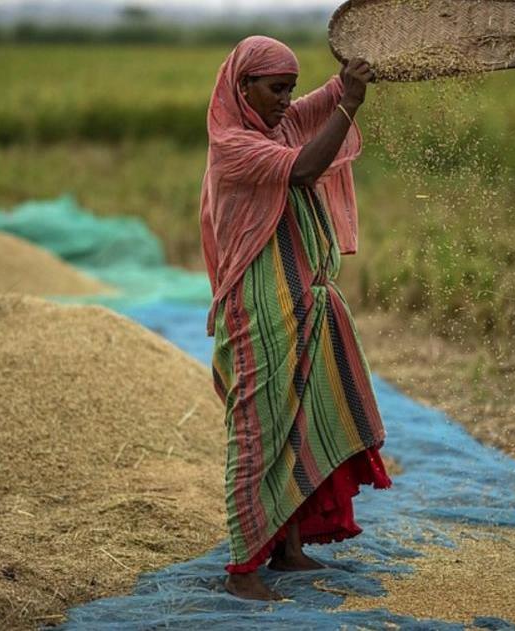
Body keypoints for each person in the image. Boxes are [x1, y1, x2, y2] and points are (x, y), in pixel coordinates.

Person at [199, 35, 391, 602]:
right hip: (258, 306)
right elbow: (306, 168)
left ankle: (287, 548)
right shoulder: (233, 144)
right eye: (276, 89)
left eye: (290, 88)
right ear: (243, 88)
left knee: (300, 417)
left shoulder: (276, 123)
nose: (288, 101)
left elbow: (323, 102)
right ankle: (243, 568)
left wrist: (353, 78)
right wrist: (348, 106)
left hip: (299, 297)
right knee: (258, 431)